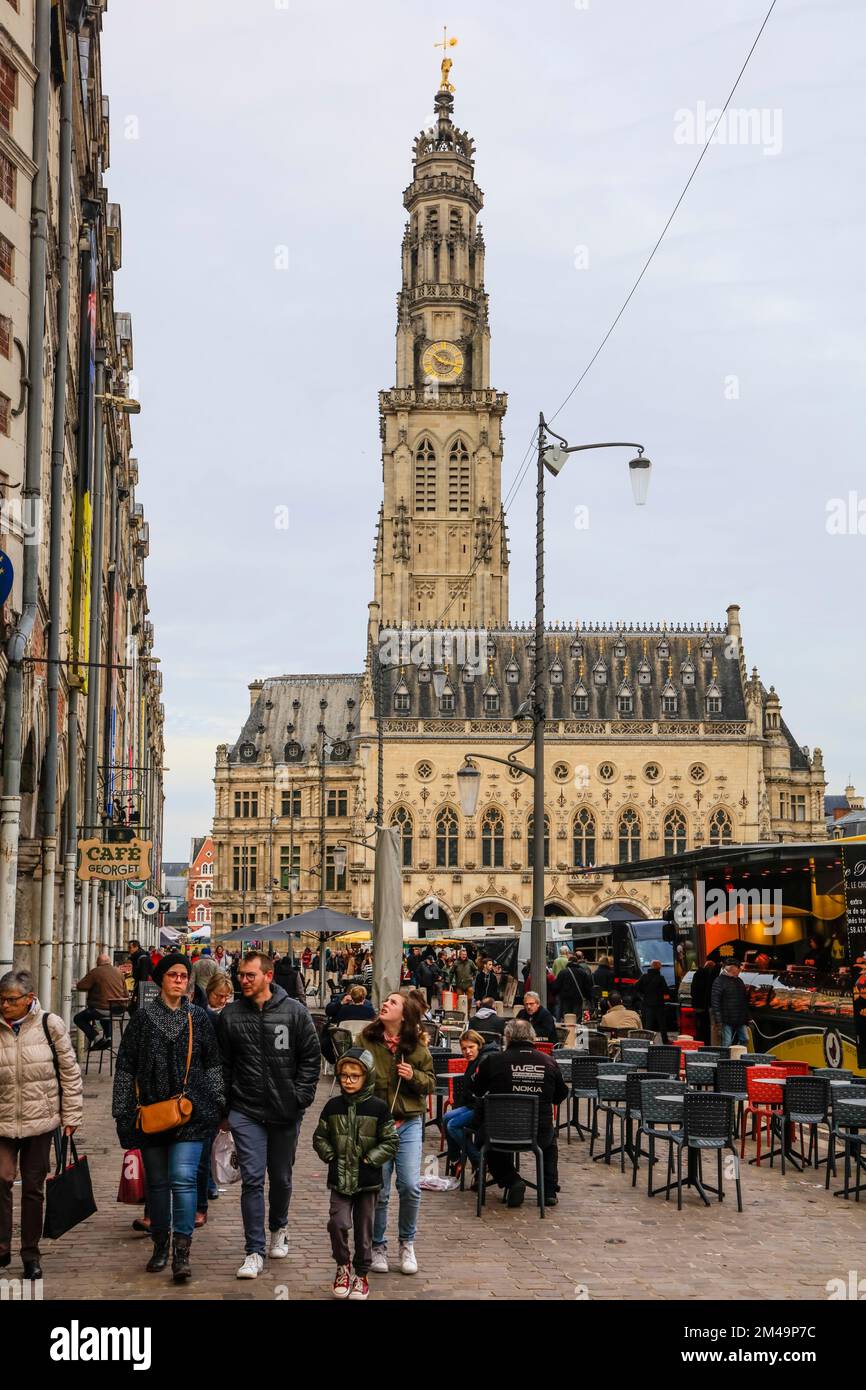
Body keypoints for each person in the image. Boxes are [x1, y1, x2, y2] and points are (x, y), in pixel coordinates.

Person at [112, 953, 224, 1283]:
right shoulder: (143, 1019)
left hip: (192, 1111)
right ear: (161, 979)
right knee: (158, 1184)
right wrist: (123, 1111)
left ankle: (182, 1251)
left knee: (183, 1177)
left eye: (183, 975)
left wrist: (217, 1102)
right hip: (151, 1113)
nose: (179, 980)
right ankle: (160, 1244)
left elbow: (213, 1062)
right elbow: (125, 1068)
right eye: (173, 975)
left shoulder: (198, 1018)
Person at [217, 951, 321, 1279]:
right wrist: (226, 1106)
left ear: (268, 976)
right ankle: (253, 1250)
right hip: (245, 1109)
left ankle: (279, 1227)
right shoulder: (231, 1015)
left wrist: (299, 1097)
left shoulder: (295, 1012)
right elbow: (222, 1065)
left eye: (249, 975)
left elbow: (310, 1058)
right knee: (251, 1179)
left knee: (281, 1177)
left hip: (285, 1109)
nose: (242, 980)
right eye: (240, 975)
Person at [0, 969, 83, 1280]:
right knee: (1, 1178)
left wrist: (71, 1115)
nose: (4, 1006)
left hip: (39, 1120)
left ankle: (30, 1254)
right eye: (1, 1000)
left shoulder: (50, 1025)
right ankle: (1, 1245)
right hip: (3, 1120)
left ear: (29, 999)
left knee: (33, 1189)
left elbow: (69, 1072)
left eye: (10, 1000)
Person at [313, 1047, 399, 1301]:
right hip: (339, 1178)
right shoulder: (332, 1106)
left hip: (368, 1180)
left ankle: (361, 1274)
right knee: (337, 1223)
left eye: (355, 1076)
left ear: (367, 1077)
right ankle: (343, 1265)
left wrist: (370, 1159)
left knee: (364, 1231)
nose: (348, 1081)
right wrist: (329, 1154)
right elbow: (320, 1137)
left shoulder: (379, 1108)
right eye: (344, 1075)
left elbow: (390, 1141)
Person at [362, 992, 435, 1276]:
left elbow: (429, 1083)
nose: (385, 1004)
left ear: (404, 1015)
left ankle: (407, 1242)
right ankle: (378, 1245)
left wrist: (413, 1076)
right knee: (379, 1190)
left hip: (409, 1121)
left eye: (393, 1002)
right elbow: (351, 1071)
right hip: (377, 1124)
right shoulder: (367, 1041)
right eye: (385, 1001)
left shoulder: (416, 1048)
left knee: (410, 1185)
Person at [472, 1017, 568, 1207]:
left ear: (507, 1037)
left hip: (499, 1132)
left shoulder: (493, 1060)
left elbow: (478, 1090)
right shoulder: (548, 1062)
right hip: (538, 1134)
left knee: (484, 1140)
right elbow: (560, 1095)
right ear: (533, 1038)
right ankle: (549, 1190)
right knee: (550, 1144)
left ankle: (512, 1180)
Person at [444, 1030, 496, 1177]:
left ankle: (477, 1159)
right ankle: (456, 1160)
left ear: (479, 1045)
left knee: (452, 1125)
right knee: (447, 1117)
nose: (467, 1051)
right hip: (473, 1104)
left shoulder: (484, 1060)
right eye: (464, 1048)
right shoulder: (474, 1061)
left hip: (483, 1108)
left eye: (471, 1047)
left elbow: (481, 1091)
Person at [74, 951, 128, 1049]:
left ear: (98, 963)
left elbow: (81, 986)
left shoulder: (96, 972)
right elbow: (126, 993)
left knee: (78, 1018)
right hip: (119, 1009)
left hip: (103, 1009)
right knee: (105, 1015)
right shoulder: (119, 972)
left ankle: (97, 1037)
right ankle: (109, 1038)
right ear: (109, 962)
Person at [710, 961, 750, 1048]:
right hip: (726, 1019)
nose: (740, 971)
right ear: (733, 968)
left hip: (739, 1018)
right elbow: (715, 1002)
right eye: (738, 968)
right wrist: (719, 1021)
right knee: (727, 1043)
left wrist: (747, 1017)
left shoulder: (739, 981)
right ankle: (727, 1060)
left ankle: (737, 1056)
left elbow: (743, 1000)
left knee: (745, 1039)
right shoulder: (719, 981)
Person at [635, 960, 671, 1042]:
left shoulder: (644, 976)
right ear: (659, 967)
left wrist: (643, 994)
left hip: (647, 1003)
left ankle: (647, 1041)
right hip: (659, 1003)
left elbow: (636, 986)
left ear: (651, 967)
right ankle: (665, 1040)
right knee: (662, 1023)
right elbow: (665, 990)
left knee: (648, 1024)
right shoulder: (660, 978)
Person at [689, 958, 720, 1045]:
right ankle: (705, 1042)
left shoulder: (697, 974)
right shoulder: (710, 976)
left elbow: (692, 990)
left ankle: (699, 1041)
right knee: (706, 1025)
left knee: (699, 1025)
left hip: (696, 1005)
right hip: (705, 1005)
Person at [552, 953, 592, 1021]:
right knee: (577, 1016)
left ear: (568, 962)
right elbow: (587, 987)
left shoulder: (563, 972)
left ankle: (568, 1029)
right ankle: (577, 1029)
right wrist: (588, 998)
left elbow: (556, 986)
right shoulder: (582, 972)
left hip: (566, 999)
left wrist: (554, 994)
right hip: (578, 999)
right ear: (577, 962)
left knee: (567, 1017)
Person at [126, 938, 152, 1009]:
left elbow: (144, 975)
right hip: (138, 985)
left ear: (136, 947)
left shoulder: (143, 958)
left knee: (134, 1007)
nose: (128, 949)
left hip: (142, 986)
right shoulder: (136, 957)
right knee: (133, 1007)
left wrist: (141, 991)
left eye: (130, 947)